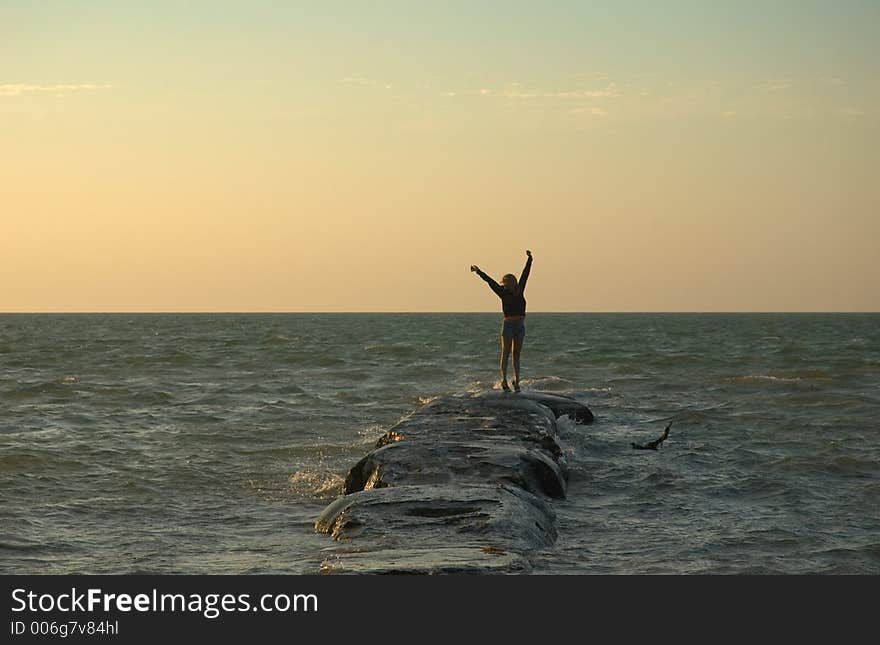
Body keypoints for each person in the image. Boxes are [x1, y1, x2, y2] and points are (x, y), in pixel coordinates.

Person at [470, 250, 533, 392]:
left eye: (506, 283)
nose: (504, 285)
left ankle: (517, 381)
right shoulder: (502, 292)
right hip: (509, 325)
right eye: (504, 283)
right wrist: (479, 272)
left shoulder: (519, 289)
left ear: (512, 283)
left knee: (516, 354)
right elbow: (490, 281)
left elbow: (525, 274)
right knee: (506, 353)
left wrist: (530, 260)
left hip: (520, 325)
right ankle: (504, 380)